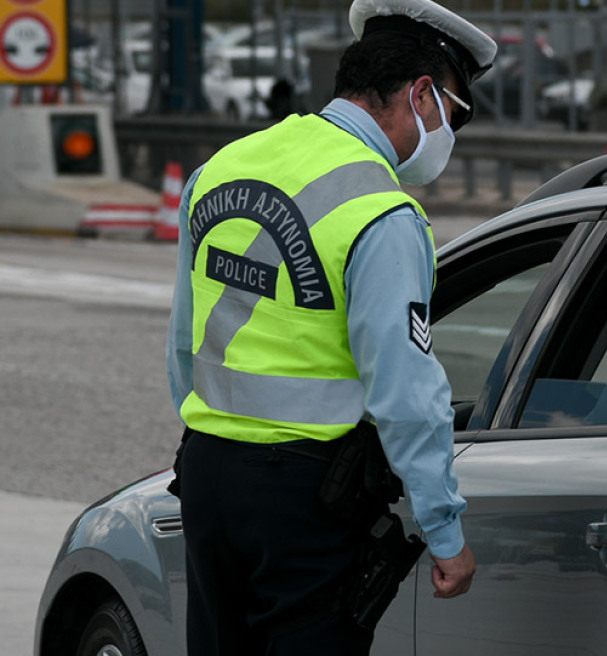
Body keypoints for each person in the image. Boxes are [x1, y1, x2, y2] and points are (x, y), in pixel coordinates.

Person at [164, 0, 496, 652]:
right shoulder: (379, 210)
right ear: (421, 93)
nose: (450, 133)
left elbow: (184, 337)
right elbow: (404, 389)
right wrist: (443, 529)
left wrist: (210, 437)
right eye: (455, 113)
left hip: (207, 473)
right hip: (305, 499)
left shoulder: (224, 165)